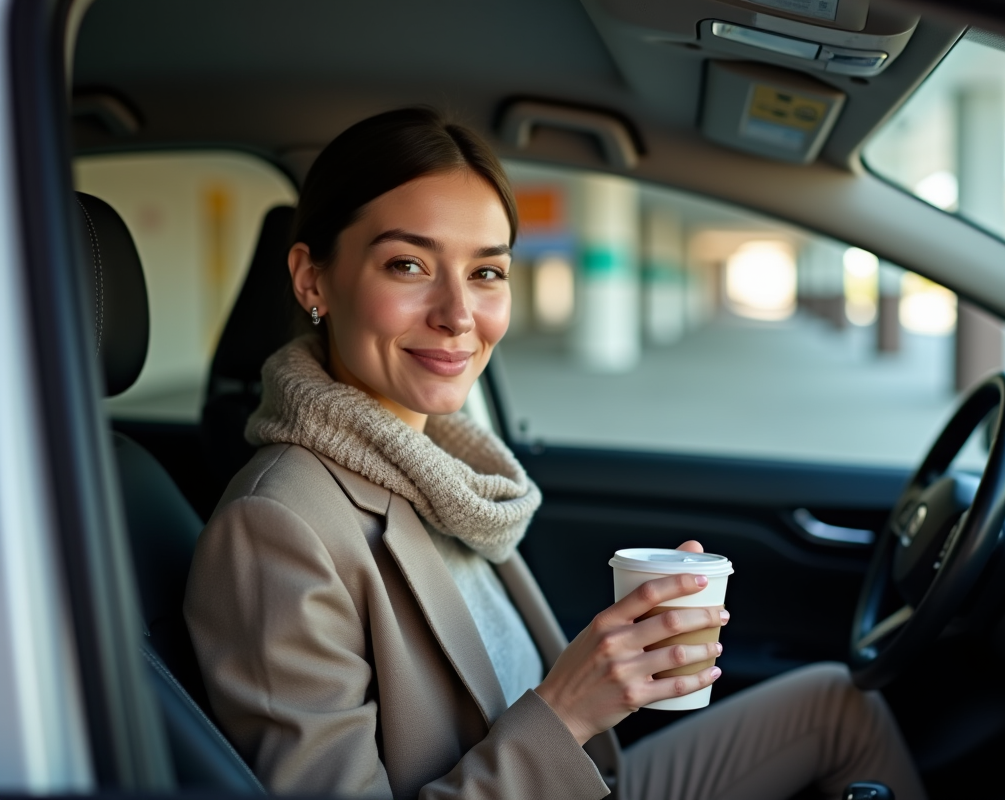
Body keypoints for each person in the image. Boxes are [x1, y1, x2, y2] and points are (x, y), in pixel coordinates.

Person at [183, 107, 927, 800]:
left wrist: (615, 675)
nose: (457, 316)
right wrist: (566, 711)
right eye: (408, 265)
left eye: (487, 272)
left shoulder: (447, 471)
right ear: (314, 279)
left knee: (838, 704)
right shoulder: (276, 528)